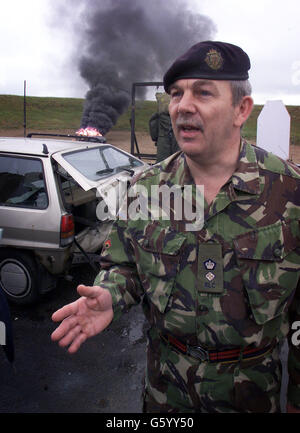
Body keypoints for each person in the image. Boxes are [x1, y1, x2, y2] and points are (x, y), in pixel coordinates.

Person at [51, 41, 300, 413]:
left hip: (251, 393)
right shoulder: (146, 189)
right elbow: (123, 265)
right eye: (176, 94)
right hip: (166, 393)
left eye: (203, 92)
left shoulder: (289, 191)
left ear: (241, 109)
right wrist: (111, 295)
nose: (183, 106)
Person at [149, 92, 180, 162]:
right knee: (178, 161)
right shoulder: (181, 116)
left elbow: (153, 126)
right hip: (178, 140)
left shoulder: (157, 116)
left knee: (162, 165)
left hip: (162, 140)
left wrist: (155, 138)